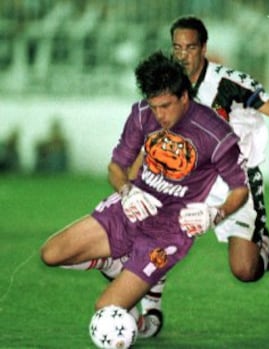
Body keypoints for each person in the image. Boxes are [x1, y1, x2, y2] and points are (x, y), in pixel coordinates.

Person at [131, 15, 269, 336]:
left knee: (245, 270)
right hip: (189, 180)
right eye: (177, 47)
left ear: (203, 48)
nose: (182, 54)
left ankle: (262, 243)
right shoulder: (167, 85)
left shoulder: (228, 83)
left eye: (190, 47)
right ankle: (151, 312)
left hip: (235, 180)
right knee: (152, 231)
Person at [40, 52, 249, 326]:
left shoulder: (216, 134)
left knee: (106, 311)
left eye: (165, 106)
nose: (159, 115)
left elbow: (239, 190)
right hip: (131, 209)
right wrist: (127, 191)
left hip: (168, 232)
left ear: (185, 96)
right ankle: (113, 264)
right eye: (153, 106)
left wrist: (215, 214)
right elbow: (115, 168)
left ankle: (142, 316)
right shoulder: (141, 114)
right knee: (51, 254)